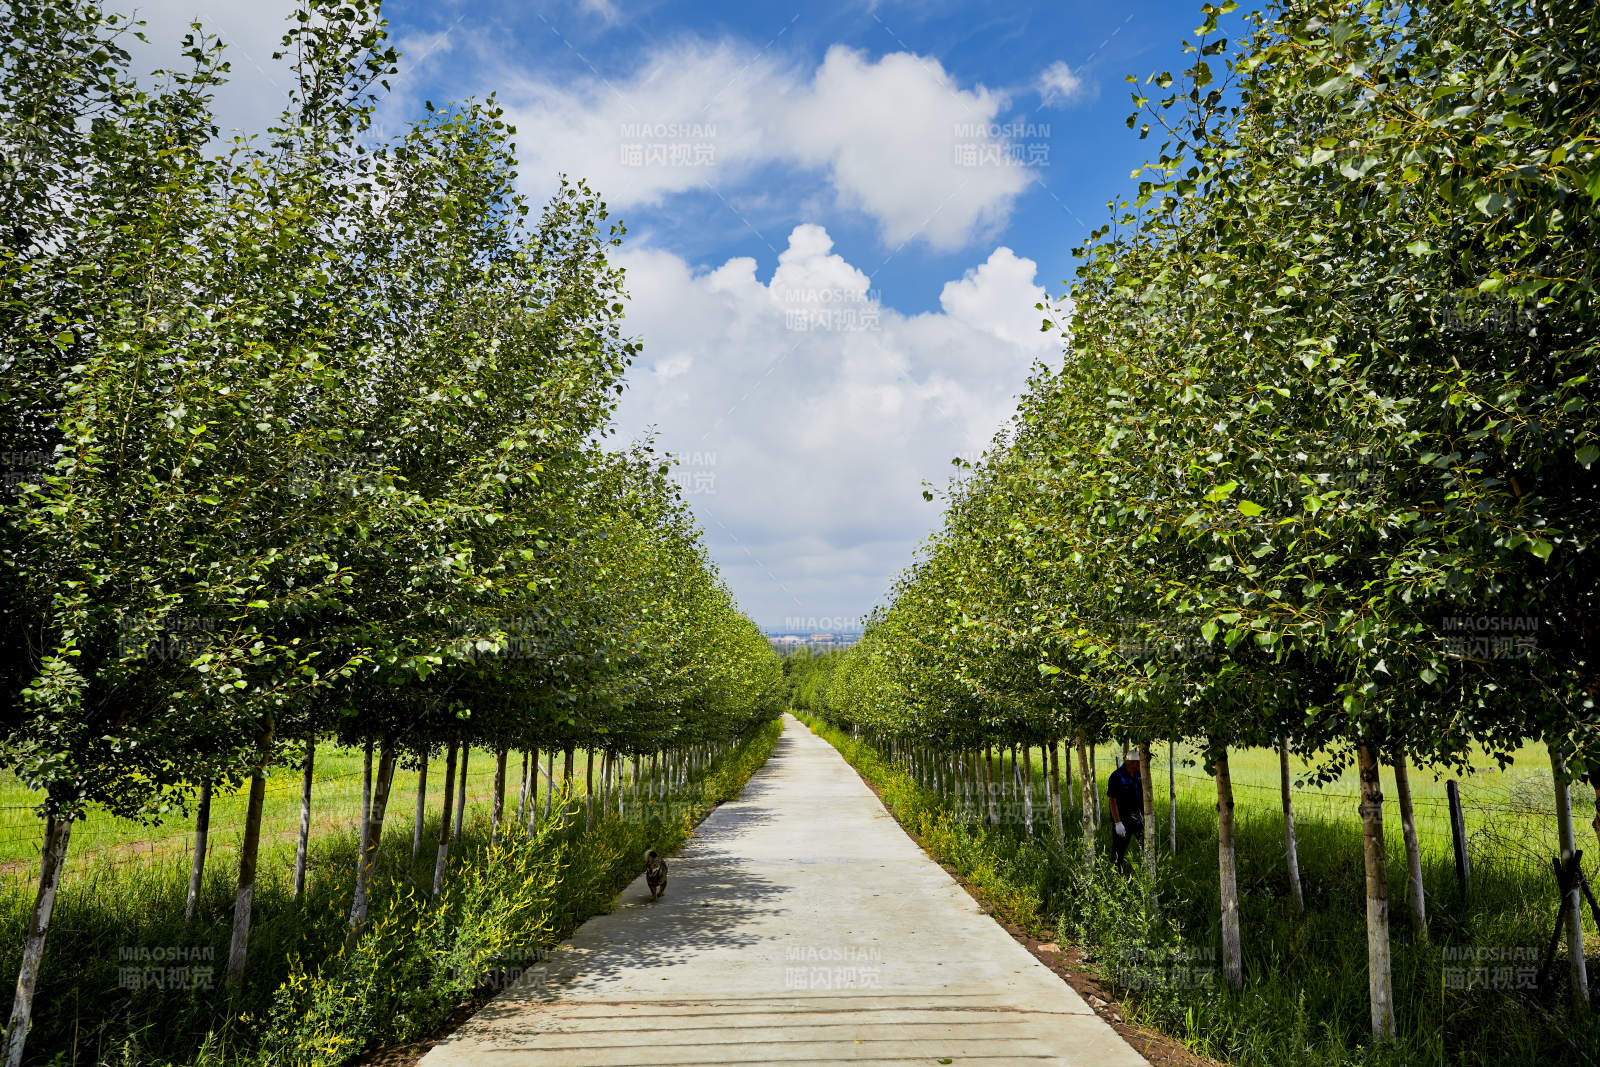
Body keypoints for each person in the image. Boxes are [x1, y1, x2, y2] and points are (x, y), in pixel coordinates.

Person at [1107, 747, 1144, 872]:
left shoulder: (1140, 775)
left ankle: (1149, 870)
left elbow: (1142, 797)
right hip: (1122, 818)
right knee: (1119, 850)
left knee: (1147, 844)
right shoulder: (1116, 776)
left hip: (1137, 817)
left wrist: (1146, 816)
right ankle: (1115, 873)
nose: (1140, 765)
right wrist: (1118, 823)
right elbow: (1112, 801)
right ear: (1130, 762)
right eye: (1138, 762)